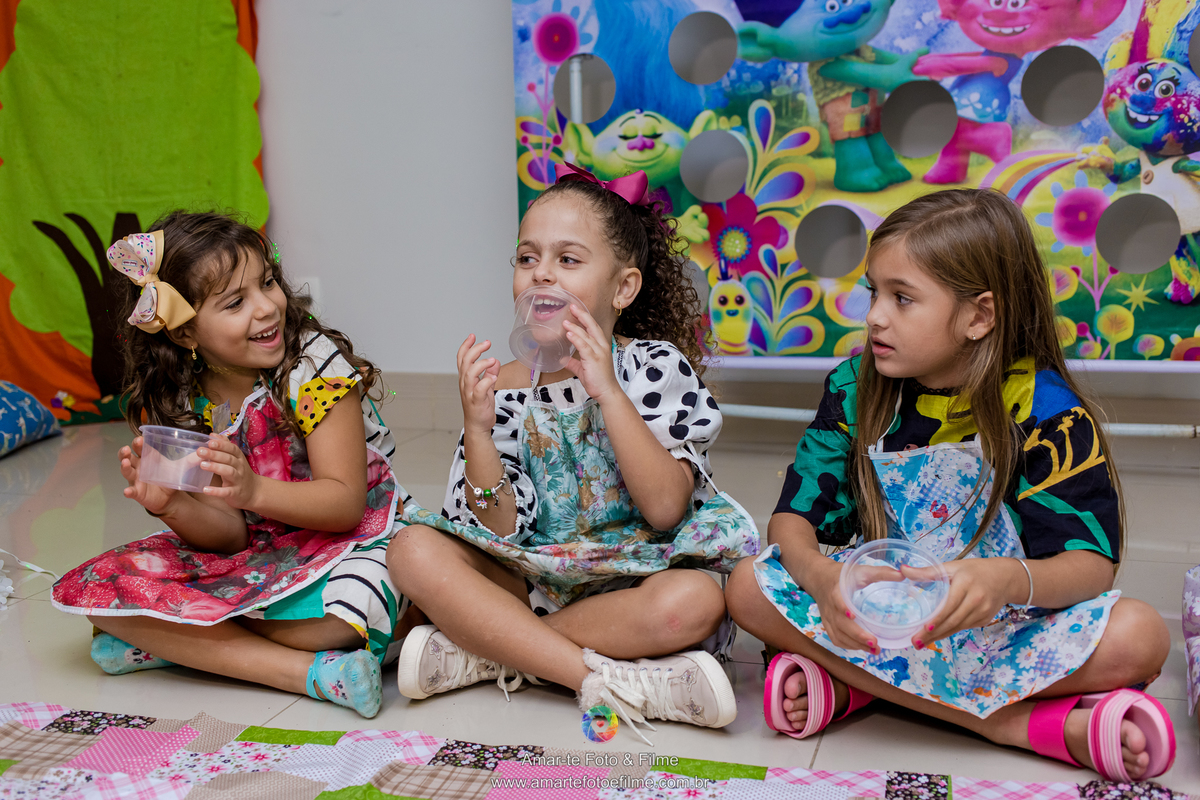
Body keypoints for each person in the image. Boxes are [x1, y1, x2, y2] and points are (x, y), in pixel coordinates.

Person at [725, 189, 1175, 782]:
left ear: (978, 316)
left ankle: (860, 689)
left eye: (902, 298)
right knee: (747, 586)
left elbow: (1090, 567)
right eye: (873, 292)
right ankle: (1015, 723)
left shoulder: (1048, 413)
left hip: (1004, 628)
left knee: (1140, 635)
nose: (874, 316)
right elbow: (792, 522)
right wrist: (824, 581)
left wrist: (1004, 580)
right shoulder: (853, 387)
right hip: (881, 620)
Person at [387, 164, 759, 743]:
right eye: (527, 258)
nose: (542, 275)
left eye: (567, 260)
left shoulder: (653, 368)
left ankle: (492, 650)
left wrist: (608, 392)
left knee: (695, 602)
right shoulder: (505, 386)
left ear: (623, 289)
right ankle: (603, 677)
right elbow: (501, 528)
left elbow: (666, 509)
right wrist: (478, 431)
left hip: (636, 581)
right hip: (536, 575)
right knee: (411, 549)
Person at [52, 212, 414, 718]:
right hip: (259, 556)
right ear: (185, 334)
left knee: (342, 615)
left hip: (351, 539)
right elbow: (231, 537)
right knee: (100, 593)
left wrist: (253, 491)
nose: (267, 307)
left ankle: (184, 642)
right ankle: (313, 674)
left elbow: (346, 504)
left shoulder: (313, 365)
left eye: (267, 282)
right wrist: (173, 507)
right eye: (235, 302)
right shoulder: (180, 398)